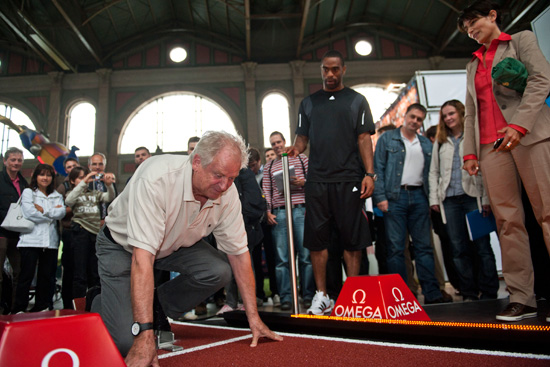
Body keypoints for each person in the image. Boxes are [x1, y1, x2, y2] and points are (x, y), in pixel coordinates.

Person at [92, 131, 282, 365]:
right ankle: (102, 302)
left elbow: (239, 254)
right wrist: (144, 334)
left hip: (174, 245)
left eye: (232, 178)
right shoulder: (156, 178)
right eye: (218, 175)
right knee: (125, 342)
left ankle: (153, 306)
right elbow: (142, 260)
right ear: (196, 161)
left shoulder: (227, 192)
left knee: (220, 270)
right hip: (123, 247)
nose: (224, 186)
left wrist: (254, 317)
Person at [458, 0, 550, 322]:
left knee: (547, 213)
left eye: (473, 23)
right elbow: (471, 112)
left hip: (529, 135)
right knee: (507, 222)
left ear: (492, 15)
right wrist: (470, 152)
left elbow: (541, 80)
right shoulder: (472, 64)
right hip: (490, 147)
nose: (471, 32)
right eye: (467, 30)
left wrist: (519, 124)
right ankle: (522, 298)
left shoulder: (521, 40)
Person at [286, 50, 375, 315]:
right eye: (326, 69)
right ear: (321, 71)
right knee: (317, 240)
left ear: (344, 69)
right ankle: (322, 295)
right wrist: (295, 149)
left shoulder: (357, 100)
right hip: (318, 181)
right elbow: (302, 139)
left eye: (335, 69)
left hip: (349, 178)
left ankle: (353, 296)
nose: (330, 74)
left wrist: (369, 174)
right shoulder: (309, 103)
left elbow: (363, 139)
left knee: (352, 239)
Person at [373, 103, 449, 304]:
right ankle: (402, 296)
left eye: (419, 119)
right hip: (394, 197)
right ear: (404, 116)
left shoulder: (425, 144)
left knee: (424, 248)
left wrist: (431, 199)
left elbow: (432, 174)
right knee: (396, 249)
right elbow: (377, 169)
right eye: (412, 117)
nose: (415, 121)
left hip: (419, 197)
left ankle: (432, 293)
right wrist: (380, 197)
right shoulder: (387, 139)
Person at [428, 99, 499, 301]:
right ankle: (468, 292)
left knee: (482, 246)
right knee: (458, 249)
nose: (448, 118)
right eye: (444, 115)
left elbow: (484, 168)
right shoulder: (441, 140)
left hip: (473, 198)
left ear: (460, 113)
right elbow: (433, 171)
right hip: (449, 200)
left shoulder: (473, 136)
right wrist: (434, 197)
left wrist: (485, 198)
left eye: (451, 113)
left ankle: (489, 291)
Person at [263, 131, 315, 311]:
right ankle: (285, 297)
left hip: (301, 209)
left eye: (279, 142)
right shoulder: (269, 166)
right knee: (282, 258)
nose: (277, 146)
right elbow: (267, 191)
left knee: (306, 256)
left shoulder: (301, 159)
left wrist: (302, 183)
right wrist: (268, 212)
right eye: (273, 144)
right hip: (280, 212)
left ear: (285, 142)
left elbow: (314, 181)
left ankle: (308, 295)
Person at [11, 164, 65, 313]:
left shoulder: (56, 195)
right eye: (42, 175)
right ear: (36, 176)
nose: (45, 178)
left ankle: (42, 306)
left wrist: (43, 210)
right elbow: (29, 213)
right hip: (30, 240)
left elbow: (61, 213)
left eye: (48, 175)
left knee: (46, 277)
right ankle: (19, 308)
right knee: (26, 276)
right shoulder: (29, 192)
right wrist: (51, 213)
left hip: (50, 242)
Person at [65, 167, 116, 301]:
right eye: (80, 178)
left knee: (94, 272)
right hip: (80, 233)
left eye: (85, 177)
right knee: (79, 273)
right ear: (72, 181)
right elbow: (68, 201)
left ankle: (93, 303)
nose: (84, 180)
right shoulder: (73, 193)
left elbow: (110, 197)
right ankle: (79, 304)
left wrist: (109, 186)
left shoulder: (94, 193)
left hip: (95, 234)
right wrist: (84, 181)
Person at [0, 147, 28, 314]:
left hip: (18, 234)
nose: (16, 163)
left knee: (20, 272)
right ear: (5, 161)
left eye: (19, 160)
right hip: (1, 233)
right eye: (13, 160)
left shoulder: (24, 183)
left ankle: (14, 309)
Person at [56, 157, 80, 309]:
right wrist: (77, 206)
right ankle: (66, 304)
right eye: (69, 167)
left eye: (74, 166)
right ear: (66, 170)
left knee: (81, 272)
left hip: (85, 233)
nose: (72, 169)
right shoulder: (62, 187)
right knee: (69, 270)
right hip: (69, 232)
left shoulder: (86, 185)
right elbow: (58, 210)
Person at [88, 153, 118, 222]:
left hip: (108, 221)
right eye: (94, 164)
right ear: (89, 166)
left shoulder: (110, 180)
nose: (97, 167)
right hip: (91, 222)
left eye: (100, 164)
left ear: (104, 166)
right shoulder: (86, 182)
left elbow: (114, 200)